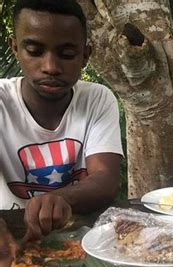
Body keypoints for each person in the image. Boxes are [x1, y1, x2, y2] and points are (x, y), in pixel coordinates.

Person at [0, 0, 123, 244]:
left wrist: (61, 198)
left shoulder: (97, 99)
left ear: (85, 55)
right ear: (14, 48)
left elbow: (106, 180)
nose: (50, 67)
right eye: (34, 51)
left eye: (67, 54)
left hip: (81, 238)